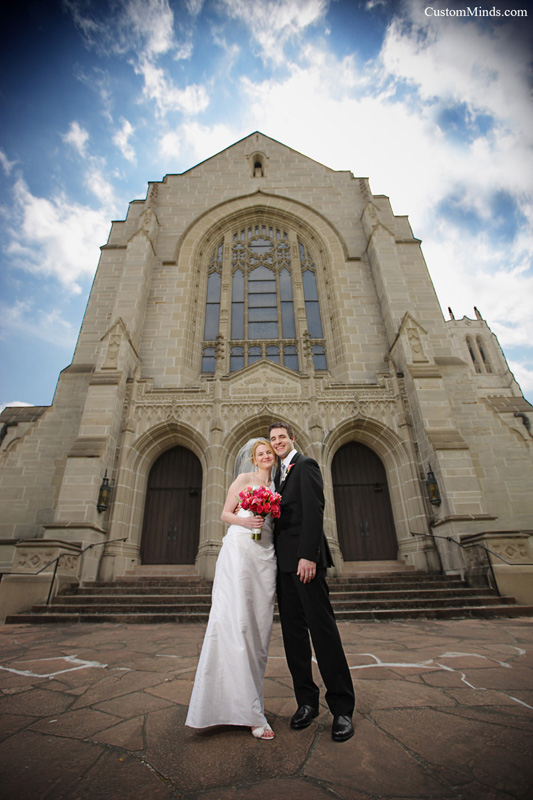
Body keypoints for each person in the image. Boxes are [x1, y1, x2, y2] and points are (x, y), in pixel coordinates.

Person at [269, 421, 355, 742]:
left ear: (292, 438)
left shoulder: (305, 466)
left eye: (281, 437)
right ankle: (306, 702)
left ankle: (342, 708)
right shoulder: (275, 476)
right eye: (272, 438)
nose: (277, 442)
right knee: (293, 638)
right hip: (282, 567)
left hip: (306, 564)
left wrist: (309, 555)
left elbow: (315, 509)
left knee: (322, 632)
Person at [185, 438, 277, 740]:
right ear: (253, 458)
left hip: (264, 555)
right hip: (240, 549)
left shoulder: (277, 485)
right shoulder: (243, 479)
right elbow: (225, 514)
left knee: (259, 629)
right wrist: (247, 520)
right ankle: (250, 713)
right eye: (260, 453)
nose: (265, 456)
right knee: (236, 623)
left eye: (269, 452)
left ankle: (246, 701)